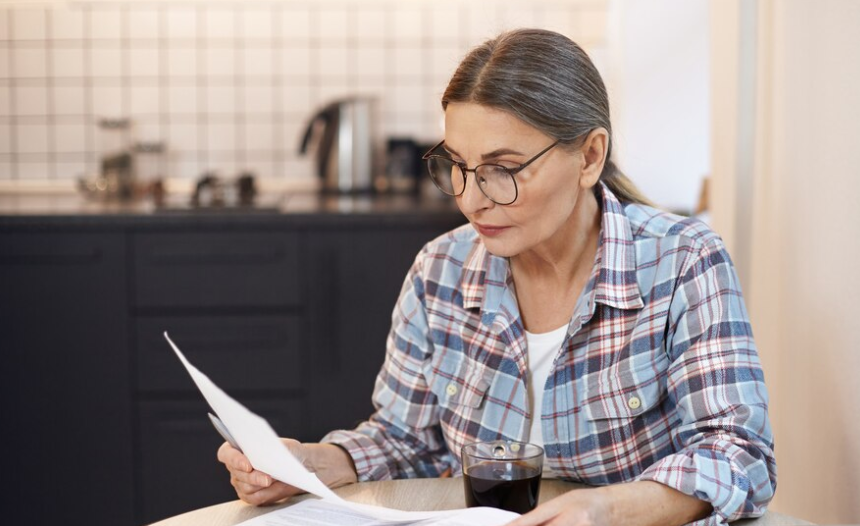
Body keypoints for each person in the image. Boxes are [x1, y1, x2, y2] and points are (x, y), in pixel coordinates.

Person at [218, 28, 776, 526]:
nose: (471, 200)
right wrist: (316, 463)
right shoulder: (439, 270)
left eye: (502, 170)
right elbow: (406, 438)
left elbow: (739, 454)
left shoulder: (682, 262)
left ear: (589, 156)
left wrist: (606, 510)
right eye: (458, 167)